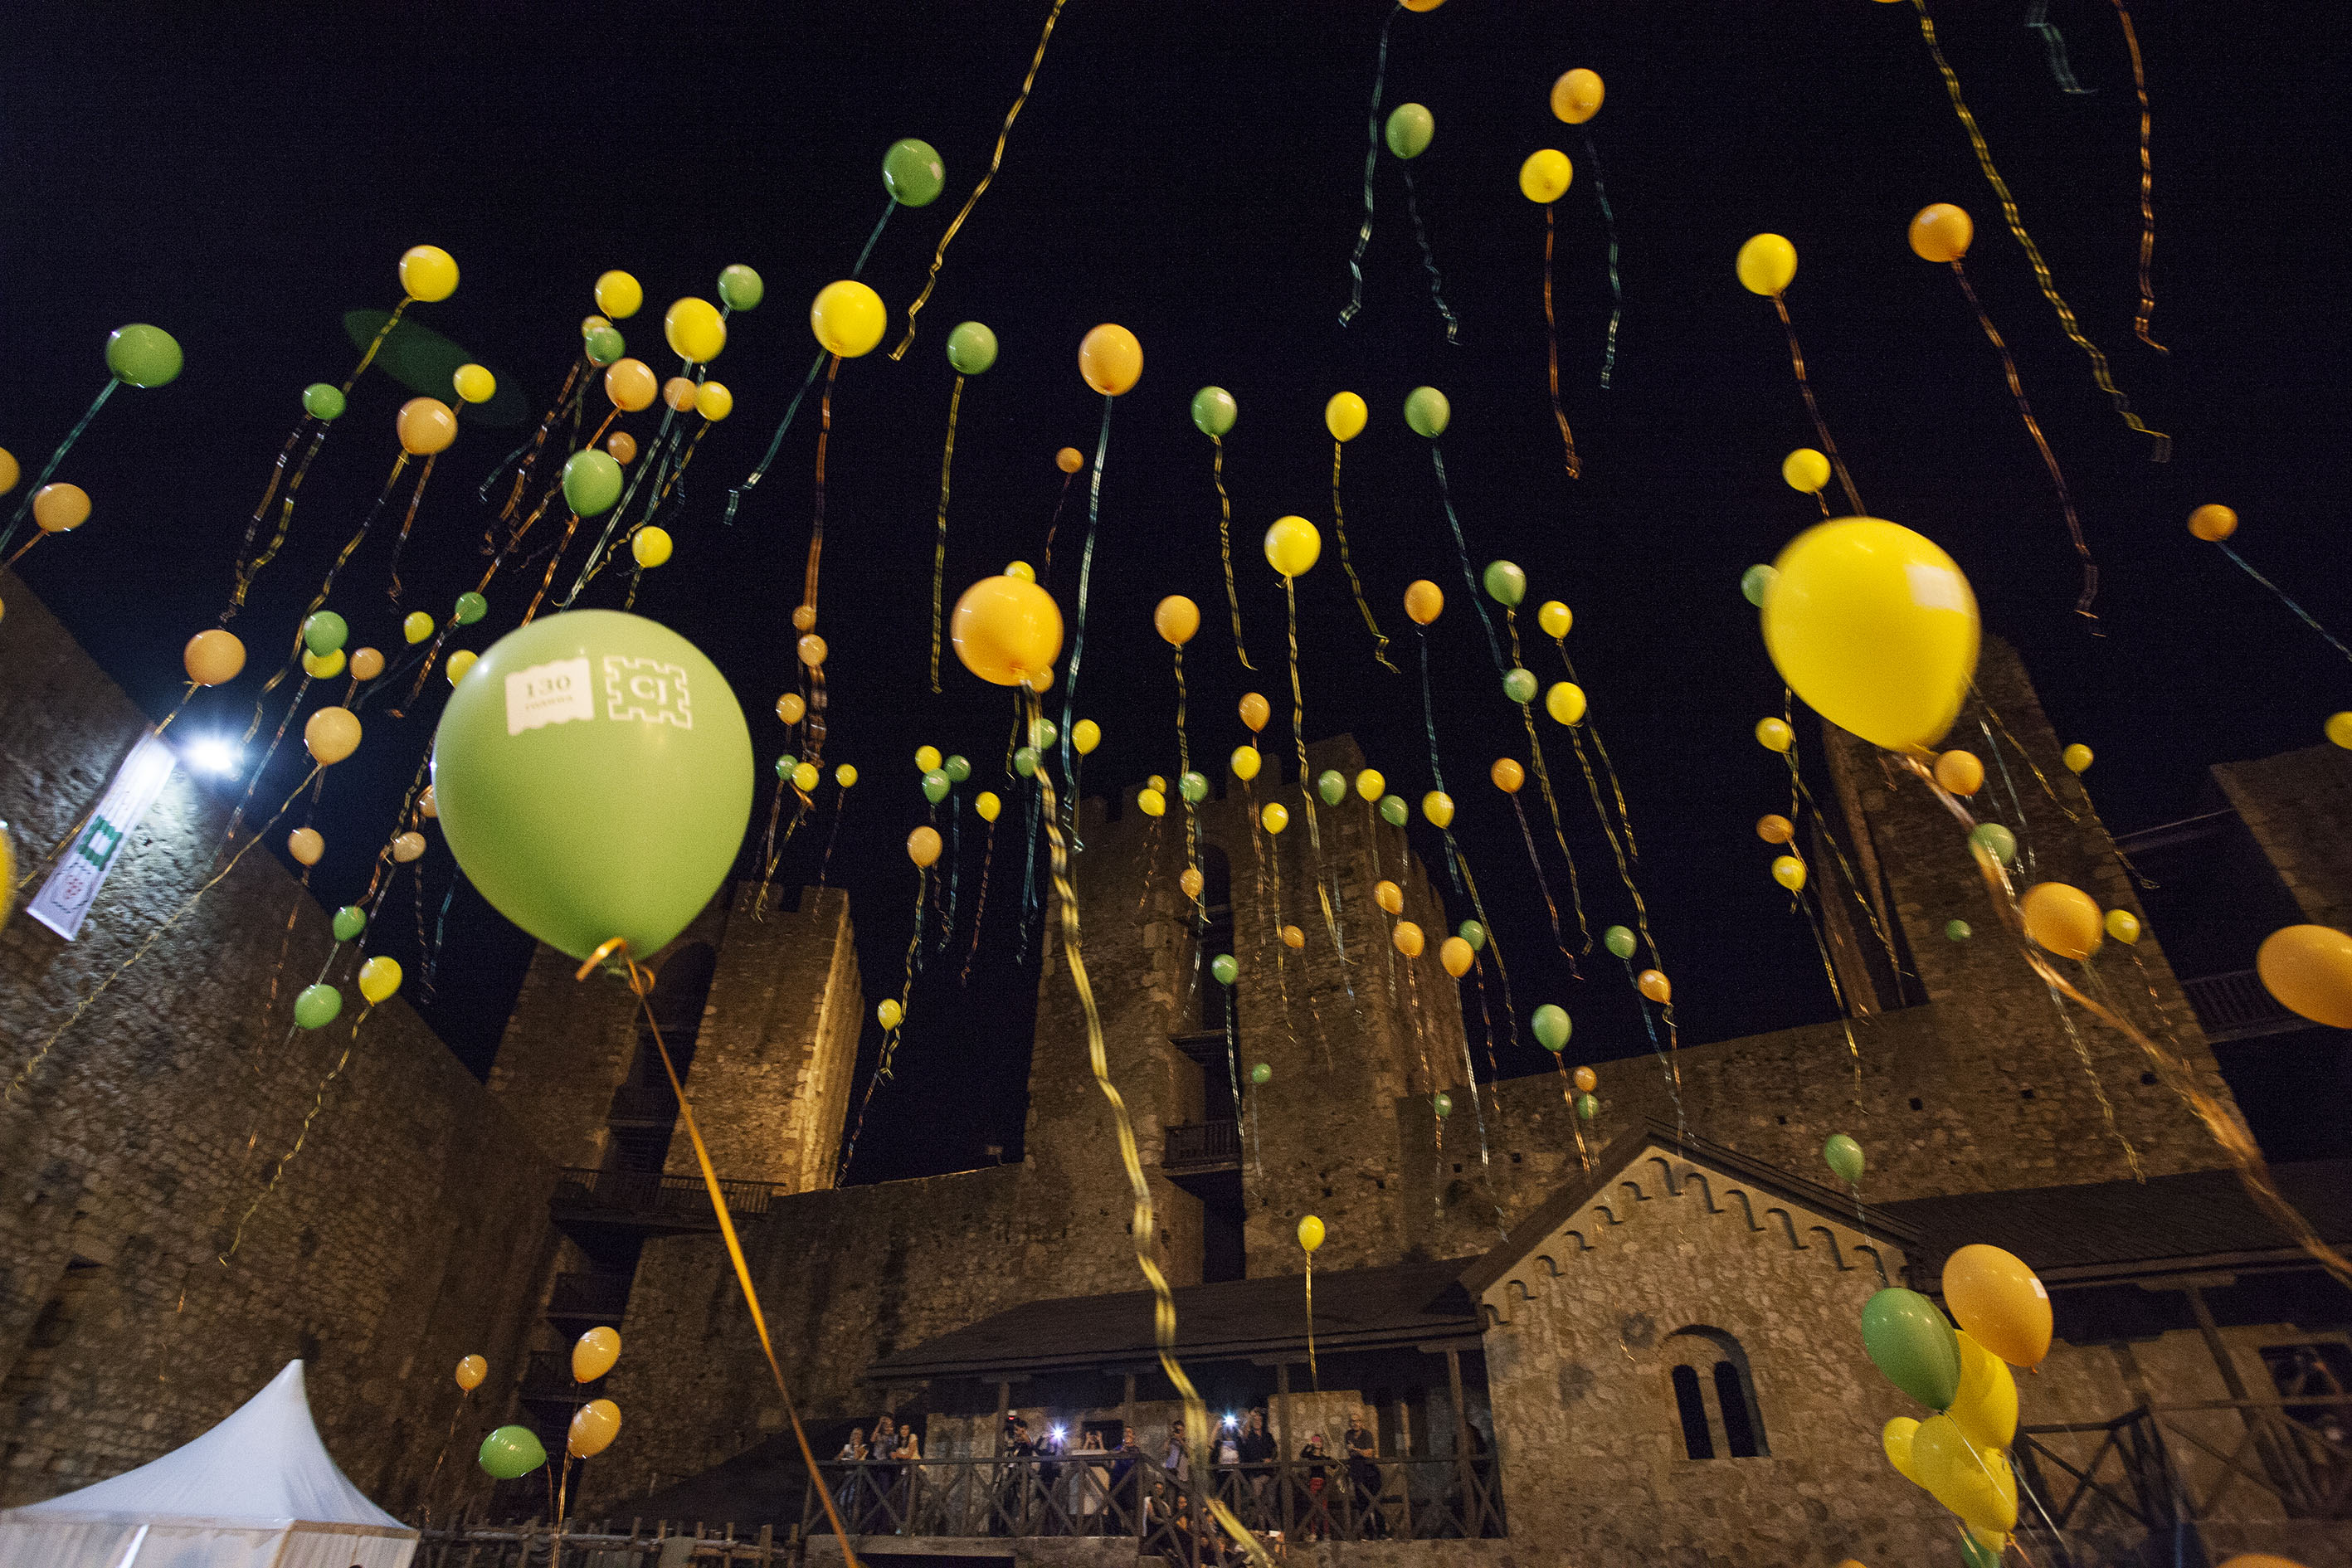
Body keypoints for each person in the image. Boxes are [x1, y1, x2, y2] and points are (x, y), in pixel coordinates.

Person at [1342, 1414, 1385, 1538]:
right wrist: (1360, 1452)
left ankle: (1382, 1532)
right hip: (1358, 1474)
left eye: (1357, 1421)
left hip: (1371, 1474)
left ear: (1361, 1423)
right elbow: (1350, 1453)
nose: (1355, 1423)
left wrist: (1357, 1450)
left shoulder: (1367, 1434)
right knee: (1362, 1505)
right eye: (1353, 1421)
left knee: (1376, 1503)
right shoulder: (1348, 1435)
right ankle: (1369, 1533)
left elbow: (1369, 1453)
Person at [1235, 1410, 1275, 1522]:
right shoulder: (1249, 1436)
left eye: (1260, 1419)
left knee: (1271, 1502)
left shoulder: (1268, 1436)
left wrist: (1271, 1459)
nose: (1257, 1422)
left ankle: (1271, 1526)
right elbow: (1245, 1432)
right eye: (1255, 1420)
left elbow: (1274, 1450)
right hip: (1256, 1474)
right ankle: (1260, 1527)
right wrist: (1249, 1417)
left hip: (1269, 1473)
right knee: (1258, 1502)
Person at [1298, 1432, 1330, 1542]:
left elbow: (1333, 1466)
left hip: (1322, 1484)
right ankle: (1313, 1533)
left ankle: (1326, 1534)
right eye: (1316, 1441)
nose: (1318, 1443)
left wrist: (1329, 1457)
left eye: (1320, 1441)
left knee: (1324, 1509)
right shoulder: (1311, 1456)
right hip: (1313, 1483)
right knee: (1313, 1509)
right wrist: (1308, 1444)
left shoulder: (1324, 1457)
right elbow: (1303, 1454)